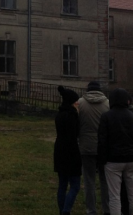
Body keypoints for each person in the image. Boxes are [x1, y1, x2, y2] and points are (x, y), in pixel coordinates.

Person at [97, 88, 133, 215]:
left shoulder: (106, 117)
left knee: (114, 195)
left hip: (113, 160)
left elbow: (102, 141)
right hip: (131, 159)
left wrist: (102, 160)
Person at [78, 80, 110, 215]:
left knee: (89, 180)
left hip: (86, 146)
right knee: (105, 180)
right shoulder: (108, 104)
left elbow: (77, 124)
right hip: (103, 147)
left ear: (88, 90)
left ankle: (91, 210)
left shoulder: (80, 103)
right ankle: (107, 209)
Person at [54, 86, 82, 215]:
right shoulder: (73, 116)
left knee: (62, 185)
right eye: (76, 101)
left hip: (59, 150)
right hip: (71, 152)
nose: (77, 103)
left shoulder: (59, 115)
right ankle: (66, 211)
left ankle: (62, 210)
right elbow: (75, 135)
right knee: (75, 185)